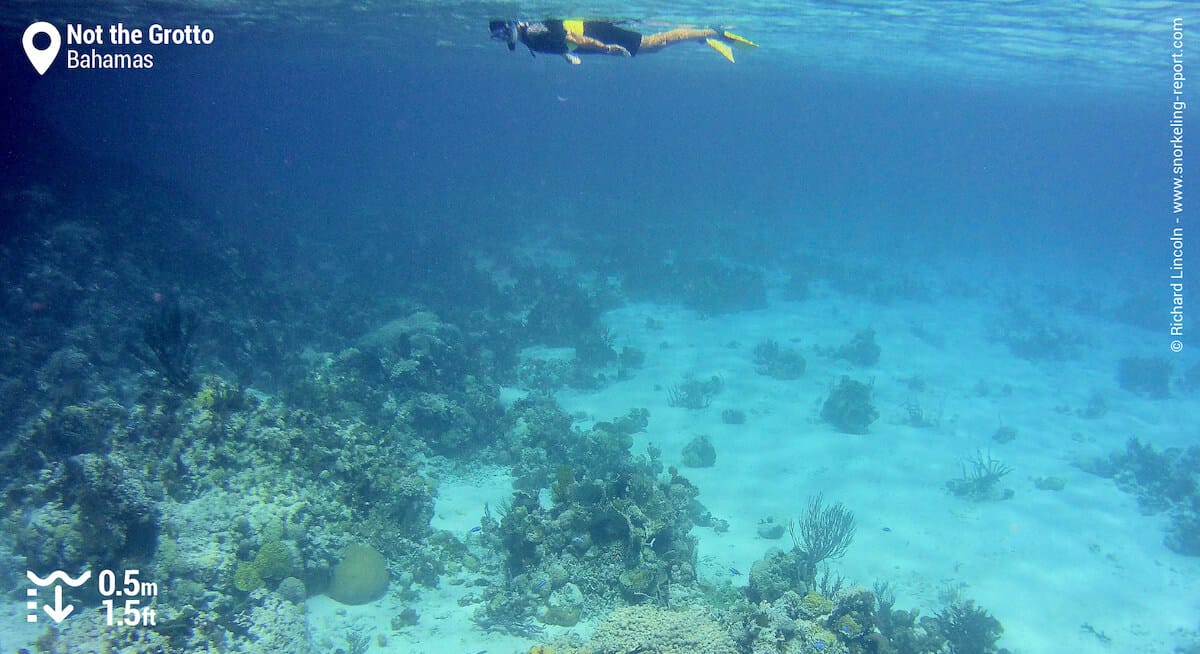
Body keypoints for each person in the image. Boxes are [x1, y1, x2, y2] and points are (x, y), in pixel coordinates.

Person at [489, 19, 757, 64]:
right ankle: (699, 37)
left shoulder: (532, 33)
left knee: (656, 42)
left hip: (595, 35)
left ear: (512, 25)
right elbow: (560, 43)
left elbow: (571, 37)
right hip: (593, 37)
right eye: (499, 37)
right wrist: (566, 55)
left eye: (503, 32)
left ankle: (712, 32)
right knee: (654, 48)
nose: (503, 38)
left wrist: (607, 48)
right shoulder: (526, 36)